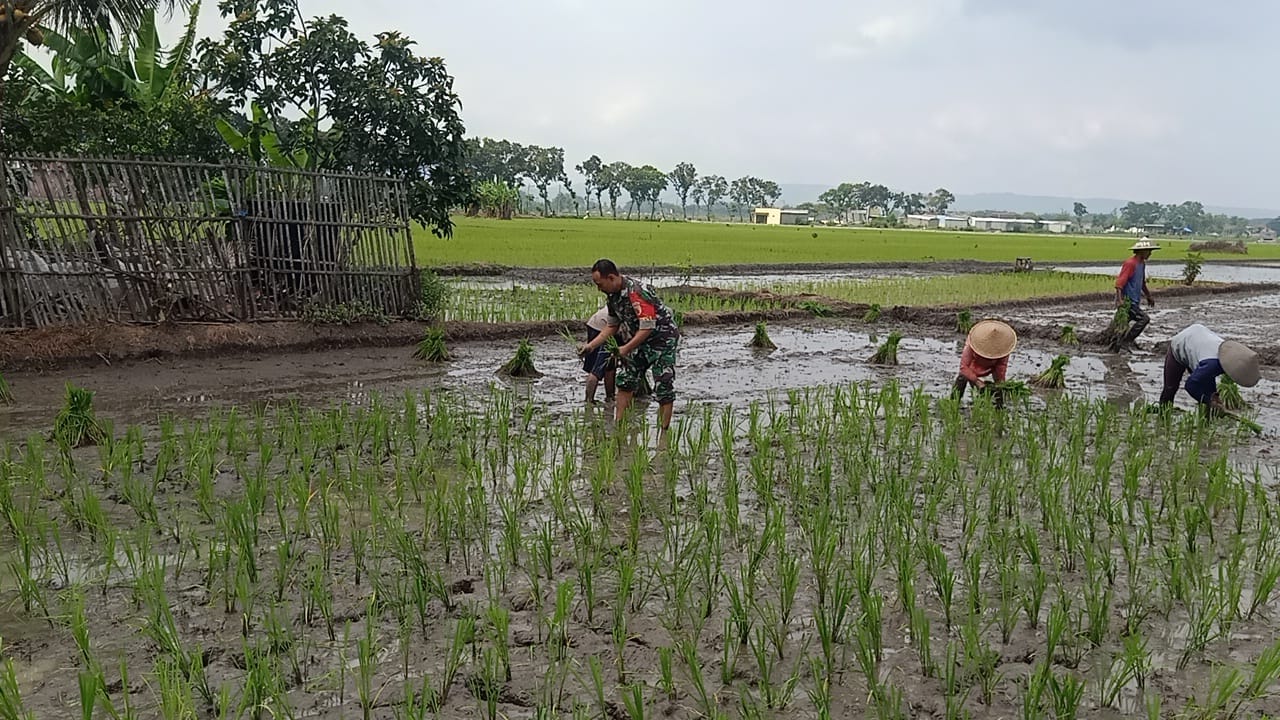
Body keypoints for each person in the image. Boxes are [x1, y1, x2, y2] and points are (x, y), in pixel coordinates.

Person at [578, 259, 681, 432]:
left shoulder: (637, 292)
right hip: (639, 338)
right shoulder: (613, 297)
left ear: (611, 278)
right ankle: (619, 424)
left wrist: (625, 348)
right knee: (625, 380)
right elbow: (612, 325)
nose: (598, 288)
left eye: (599, 284)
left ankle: (664, 432)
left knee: (663, 384)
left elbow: (647, 327)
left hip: (662, 340)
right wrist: (591, 346)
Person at [1158, 323, 1260, 413]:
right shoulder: (1212, 364)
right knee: (1170, 389)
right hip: (1181, 344)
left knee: (1210, 392)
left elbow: (1207, 379)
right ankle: (1163, 418)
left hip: (1198, 343)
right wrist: (1209, 401)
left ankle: (1208, 420)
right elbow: (1190, 385)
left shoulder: (1225, 356)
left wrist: (1213, 397)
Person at [952, 319, 1016, 402]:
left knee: (999, 388)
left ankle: (998, 408)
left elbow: (1001, 367)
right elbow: (964, 367)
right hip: (973, 366)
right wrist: (978, 382)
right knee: (962, 378)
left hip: (991, 366)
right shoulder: (973, 344)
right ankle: (954, 402)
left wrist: (1000, 384)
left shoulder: (1003, 349)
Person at [1112, 238, 1159, 352]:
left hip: (1134, 300)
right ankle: (1126, 342)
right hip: (1128, 301)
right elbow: (1119, 283)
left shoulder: (1141, 264)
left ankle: (1116, 347)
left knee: (1121, 327)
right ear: (1141, 251)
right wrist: (1119, 300)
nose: (1150, 253)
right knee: (1144, 319)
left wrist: (1148, 296)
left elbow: (1142, 282)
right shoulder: (1130, 264)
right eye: (1148, 251)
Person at [582, 306, 616, 403]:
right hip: (604, 328)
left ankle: (610, 396)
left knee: (610, 366)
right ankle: (589, 401)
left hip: (595, 322)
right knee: (598, 368)